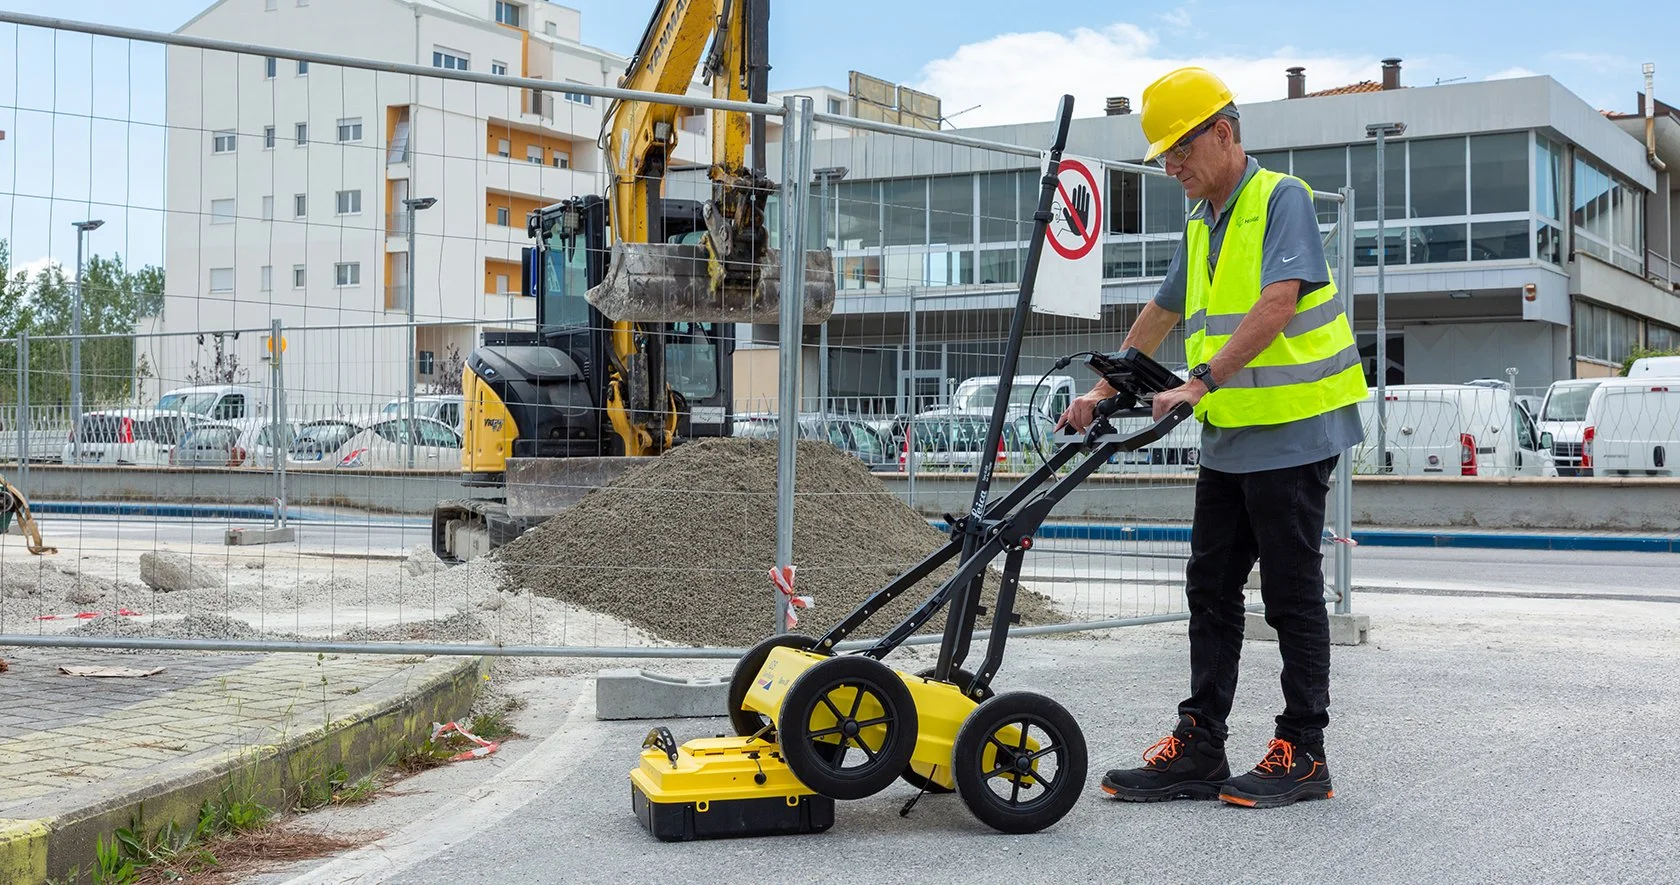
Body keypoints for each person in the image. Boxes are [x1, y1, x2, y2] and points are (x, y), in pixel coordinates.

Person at [1058, 66, 1367, 809]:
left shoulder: (1281, 198)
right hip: (1232, 433)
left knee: (1290, 593)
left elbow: (1278, 303)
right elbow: (1161, 312)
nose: (1171, 167)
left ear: (1223, 134)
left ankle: (1304, 752)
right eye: (1164, 154)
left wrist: (1199, 382)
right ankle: (1200, 745)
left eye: (1179, 150)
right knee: (1210, 587)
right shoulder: (1201, 223)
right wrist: (1103, 390)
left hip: (1294, 429)